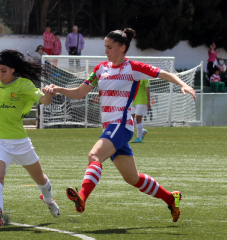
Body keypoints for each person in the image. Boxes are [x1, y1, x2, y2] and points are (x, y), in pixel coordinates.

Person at [43, 28, 196, 223]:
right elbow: (80, 93)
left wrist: (183, 84)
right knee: (132, 178)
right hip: (110, 128)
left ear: (122, 47)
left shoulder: (132, 67)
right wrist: (57, 89)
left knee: (94, 155)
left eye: (109, 47)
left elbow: (163, 73)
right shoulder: (100, 69)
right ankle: (170, 198)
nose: (106, 51)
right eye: (105, 47)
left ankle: (82, 196)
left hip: (121, 125)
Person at [0, 49, 60, 227]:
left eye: (3, 71)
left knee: (40, 179)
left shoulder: (24, 85)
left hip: (20, 142)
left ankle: (49, 200)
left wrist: (49, 93)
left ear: (13, 69)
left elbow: (44, 100)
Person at [131, 79, 151, 143]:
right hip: (133, 101)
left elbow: (147, 90)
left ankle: (139, 138)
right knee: (129, 119)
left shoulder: (145, 78)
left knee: (138, 119)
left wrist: (148, 102)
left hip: (142, 101)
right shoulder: (133, 76)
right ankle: (142, 131)